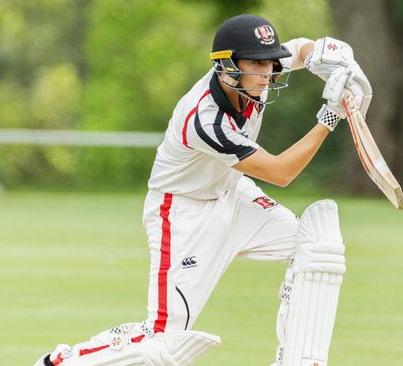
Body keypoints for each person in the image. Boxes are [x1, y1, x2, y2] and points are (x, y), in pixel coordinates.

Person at [34, 14, 372, 366]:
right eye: (257, 63)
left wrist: (328, 54)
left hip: (232, 193)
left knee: (316, 244)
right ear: (227, 66)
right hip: (182, 213)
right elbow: (281, 172)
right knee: (164, 341)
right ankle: (62, 362)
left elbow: (299, 51)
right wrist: (330, 116)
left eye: (270, 63)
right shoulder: (204, 119)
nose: (268, 72)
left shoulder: (255, 73)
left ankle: (298, 360)